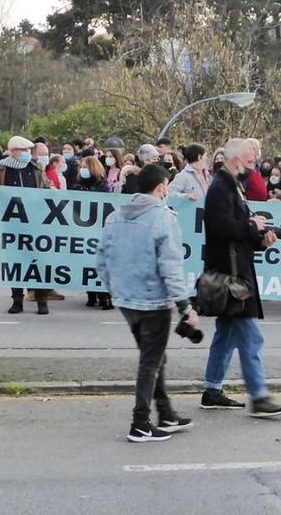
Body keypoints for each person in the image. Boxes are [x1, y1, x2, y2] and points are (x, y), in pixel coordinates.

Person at [96, 163, 196, 442]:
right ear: (162, 187)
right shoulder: (164, 218)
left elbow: (102, 259)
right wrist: (185, 305)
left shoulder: (116, 216)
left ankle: (166, 413)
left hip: (126, 299)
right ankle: (140, 423)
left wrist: (115, 286)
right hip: (153, 300)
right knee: (151, 361)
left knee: (154, 356)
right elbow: (171, 266)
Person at [199, 138, 281, 417]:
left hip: (235, 271)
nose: (254, 167)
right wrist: (252, 225)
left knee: (226, 335)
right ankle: (259, 396)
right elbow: (221, 227)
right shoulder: (220, 188)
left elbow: (233, 232)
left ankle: (212, 390)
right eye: (250, 162)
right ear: (236, 160)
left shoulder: (232, 186)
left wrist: (260, 238)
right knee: (250, 337)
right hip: (232, 276)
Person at [0, 136, 52, 314]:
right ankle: (17, 299)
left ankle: (42, 299)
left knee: (38, 260)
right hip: (13, 222)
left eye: (28, 151)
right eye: (24, 150)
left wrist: (51, 191)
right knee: (15, 259)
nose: (27, 154)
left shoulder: (36, 168)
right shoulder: (2, 169)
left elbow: (45, 186)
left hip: (36, 220)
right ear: (14, 151)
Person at [73, 155, 113, 309]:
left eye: (85, 167)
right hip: (83, 230)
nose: (82, 170)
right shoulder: (77, 185)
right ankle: (91, 294)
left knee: (101, 262)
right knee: (87, 261)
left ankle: (104, 296)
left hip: (99, 229)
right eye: (81, 167)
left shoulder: (103, 186)